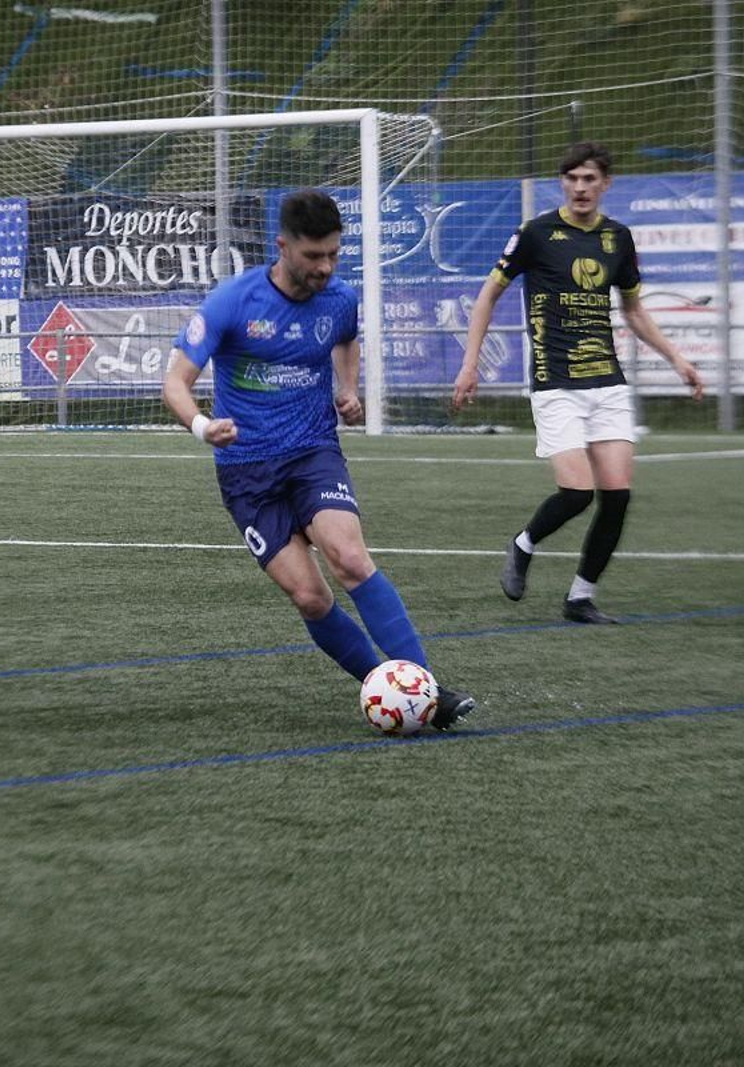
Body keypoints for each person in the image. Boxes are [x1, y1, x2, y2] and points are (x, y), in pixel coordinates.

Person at [163, 190, 476, 728]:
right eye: (313, 257)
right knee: (309, 597)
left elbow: (345, 339)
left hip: (313, 453)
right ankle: (383, 686)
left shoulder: (338, 299)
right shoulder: (232, 302)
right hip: (247, 474)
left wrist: (348, 388)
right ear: (282, 247)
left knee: (350, 558)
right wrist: (200, 425)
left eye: (334, 254)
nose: (326, 267)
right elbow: (174, 381)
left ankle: (424, 691)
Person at [452, 142, 705, 624]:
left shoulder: (618, 238)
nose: (581, 187)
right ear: (562, 183)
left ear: (606, 183)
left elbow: (634, 311)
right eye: (572, 178)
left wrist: (678, 359)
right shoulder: (536, 233)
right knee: (576, 493)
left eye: (590, 179)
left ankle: (580, 598)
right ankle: (524, 544)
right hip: (555, 380)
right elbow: (487, 297)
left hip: (607, 382)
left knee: (618, 495)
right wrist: (470, 364)